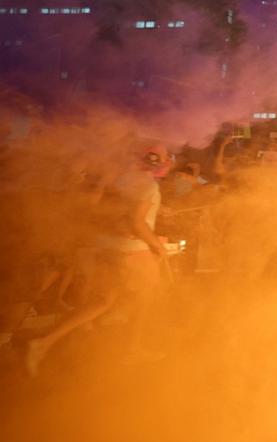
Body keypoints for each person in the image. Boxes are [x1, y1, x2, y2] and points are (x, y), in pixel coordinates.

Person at [24, 143, 174, 375]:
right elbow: (136, 222)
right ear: (157, 160)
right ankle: (131, 350)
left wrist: (155, 214)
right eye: (165, 156)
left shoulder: (122, 179)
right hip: (133, 250)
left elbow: (112, 213)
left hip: (108, 247)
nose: (168, 160)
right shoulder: (149, 185)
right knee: (146, 299)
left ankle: (44, 341)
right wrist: (157, 245)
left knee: (103, 301)